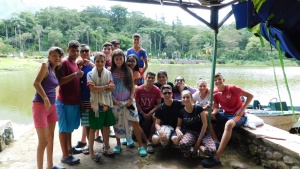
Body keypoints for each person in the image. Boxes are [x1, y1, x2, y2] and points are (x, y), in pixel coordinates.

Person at [202, 73, 253, 168]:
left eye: (219, 79)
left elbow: (250, 96)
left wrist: (242, 110)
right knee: (205, 115)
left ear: (223, 80)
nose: (217, 81)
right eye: (215, 80)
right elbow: (216, 108)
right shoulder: (215, 93)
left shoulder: (232, 88)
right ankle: (216, 141)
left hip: (238, 115)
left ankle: (217, 156)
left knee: (229, 124)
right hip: (225, 114)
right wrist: (212, 113)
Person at [110, 49, 147, 157]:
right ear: (113, 60)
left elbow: (132, 86)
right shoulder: (110, 71)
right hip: (115, 102)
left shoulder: (129, 71)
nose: (118, 61)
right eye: (116, 59)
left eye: (120, 58)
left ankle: (140, 146)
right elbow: (109, 88)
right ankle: (118, 145)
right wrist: (113, 100)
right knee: (116, 123)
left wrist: (131, 98)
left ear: (123, 59)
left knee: (135, 122)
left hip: (129, 101)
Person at [32, 46, 64, 169]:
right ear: (49, 56)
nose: (57, 58)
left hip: (52, 106)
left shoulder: (56, 69)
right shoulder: (45, 65)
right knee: (43, 141)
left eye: (59, 56)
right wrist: (45, 98)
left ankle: (50, 165)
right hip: (40, 105)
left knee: (51, 137)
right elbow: (36, 83)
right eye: (55, 55)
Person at [56, 40, 83, 165]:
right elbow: (60, 81)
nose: (75, 53)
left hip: (73, 102)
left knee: (69, 128)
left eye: (77, 51)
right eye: (73, 51)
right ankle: (65, 156)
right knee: (63, 128)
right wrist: (75, 74)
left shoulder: (75, 63)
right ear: (67, 50)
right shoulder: (64, 63)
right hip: (64, 102)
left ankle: (69, 148)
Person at [87, 52, 116, 161]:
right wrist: (105, 87)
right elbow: (92, 89)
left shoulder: (108, 73)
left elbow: (112, 87)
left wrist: (100, 87)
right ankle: (91, 152)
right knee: (93, 128)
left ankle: (107, 147)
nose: (99, 63)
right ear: (94, 62)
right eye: (97, 61)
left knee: (107, 126)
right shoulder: (90, 74)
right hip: (95, 105)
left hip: (106, 104)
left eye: (102, 61)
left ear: (105, 62)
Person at [174, 90, 216, 158]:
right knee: (182, 144)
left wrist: (198, 142)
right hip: (190, 132)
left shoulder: (198, 107)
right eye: (183, 97)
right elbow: (178, 126)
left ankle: (197, 148)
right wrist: (178, 130)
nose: (185, 99)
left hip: (203, 132)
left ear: (191, 98)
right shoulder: (181, 112)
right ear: (181, 99)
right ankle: (190, 149)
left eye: (188, 97)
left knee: (211, 151)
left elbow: (205, 124)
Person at [74, 44, 94, 154]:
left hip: (95, 99)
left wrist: (90, 63)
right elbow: (77, 85)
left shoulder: (95, 64)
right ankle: (88, 145)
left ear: (90, 51)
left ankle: (102, 145)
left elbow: (103, 72)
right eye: (82, 51)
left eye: (86, 51)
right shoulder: (78, 66)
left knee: (97, 122)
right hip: (84, 99)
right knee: (86, 123)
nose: (85, 53)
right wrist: (80, 101)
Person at [135, 71, 162, 153]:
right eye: (149, 77)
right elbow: (136, 103)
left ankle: (150, 138)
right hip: (141, 110)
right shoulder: (140, 89)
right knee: (135, 121)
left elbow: (158, 104)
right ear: (145, 78)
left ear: (154, 80)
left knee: (155, 118)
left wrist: (150, 113)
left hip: (151, 110)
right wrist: (142, 113)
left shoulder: (157, 90)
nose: (150, 79)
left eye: (152, 78)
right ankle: (147, 141)